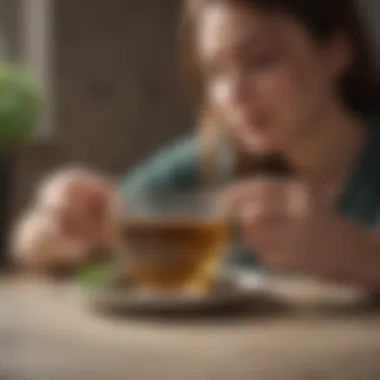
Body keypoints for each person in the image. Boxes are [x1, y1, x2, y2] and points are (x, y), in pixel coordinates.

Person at [12, 0, 380, 287]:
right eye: (216, 72)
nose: (234, 94)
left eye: (260, 61)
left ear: (336, 50)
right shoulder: (215, 159)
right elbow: (36, 242)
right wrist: (60, 222)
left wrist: (357, 253)